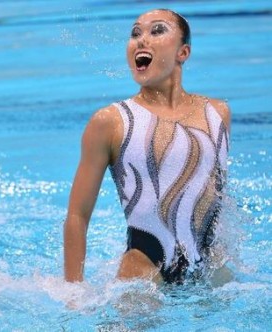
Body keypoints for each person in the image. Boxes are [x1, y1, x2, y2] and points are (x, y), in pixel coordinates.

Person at [64, 9, 231, 285]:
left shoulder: (217, 114)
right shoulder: (111, 122)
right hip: (142, 268)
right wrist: (72, 294)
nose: (141, 40)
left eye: (157, 30)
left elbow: (218, 203)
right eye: (135, 33)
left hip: (210, 267)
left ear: (183, 52)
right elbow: (76, 215)